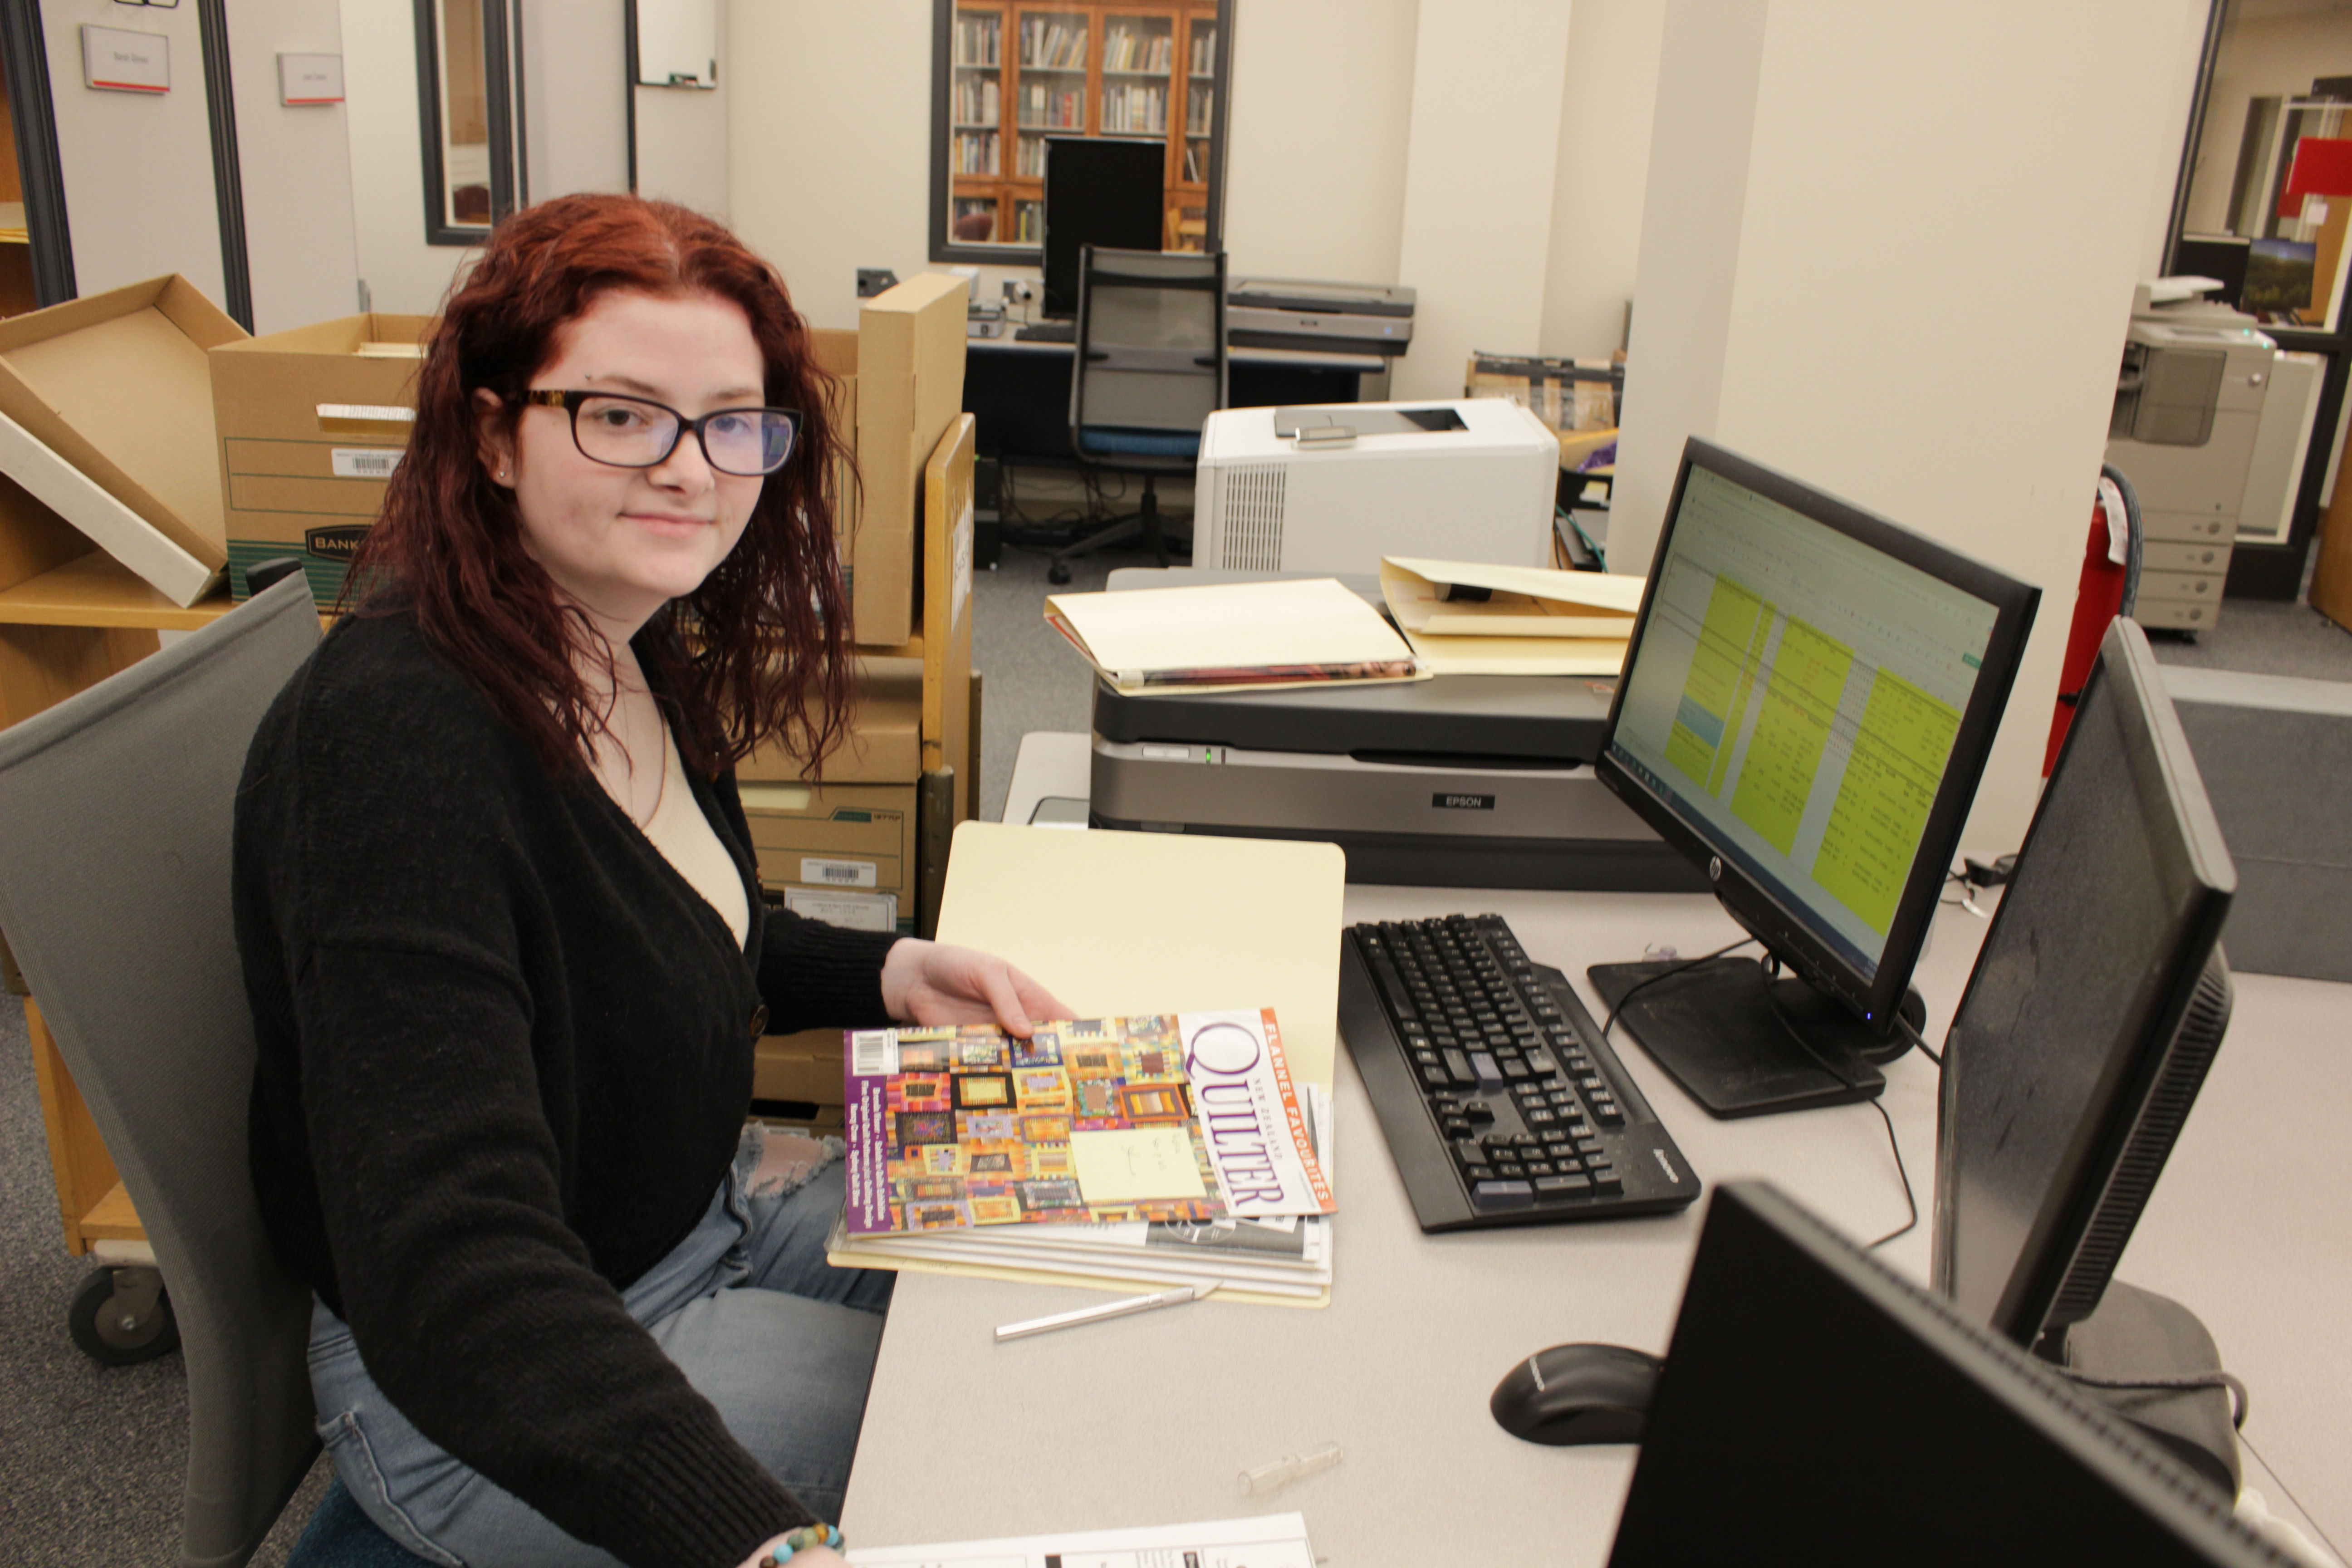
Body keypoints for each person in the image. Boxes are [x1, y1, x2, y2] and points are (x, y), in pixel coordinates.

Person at [234, 192, 1065, 1568]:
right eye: (622, 416)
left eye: (734, 423)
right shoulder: (395, 744)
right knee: (1004, 1431)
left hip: (697, 1214)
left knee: (1054, 1285)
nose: (691, 470)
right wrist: (758, 1544)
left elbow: (639, 930)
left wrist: (888, 969)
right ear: (493, 434)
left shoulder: (617, 636)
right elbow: (454, 1266)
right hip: (494, 1379)